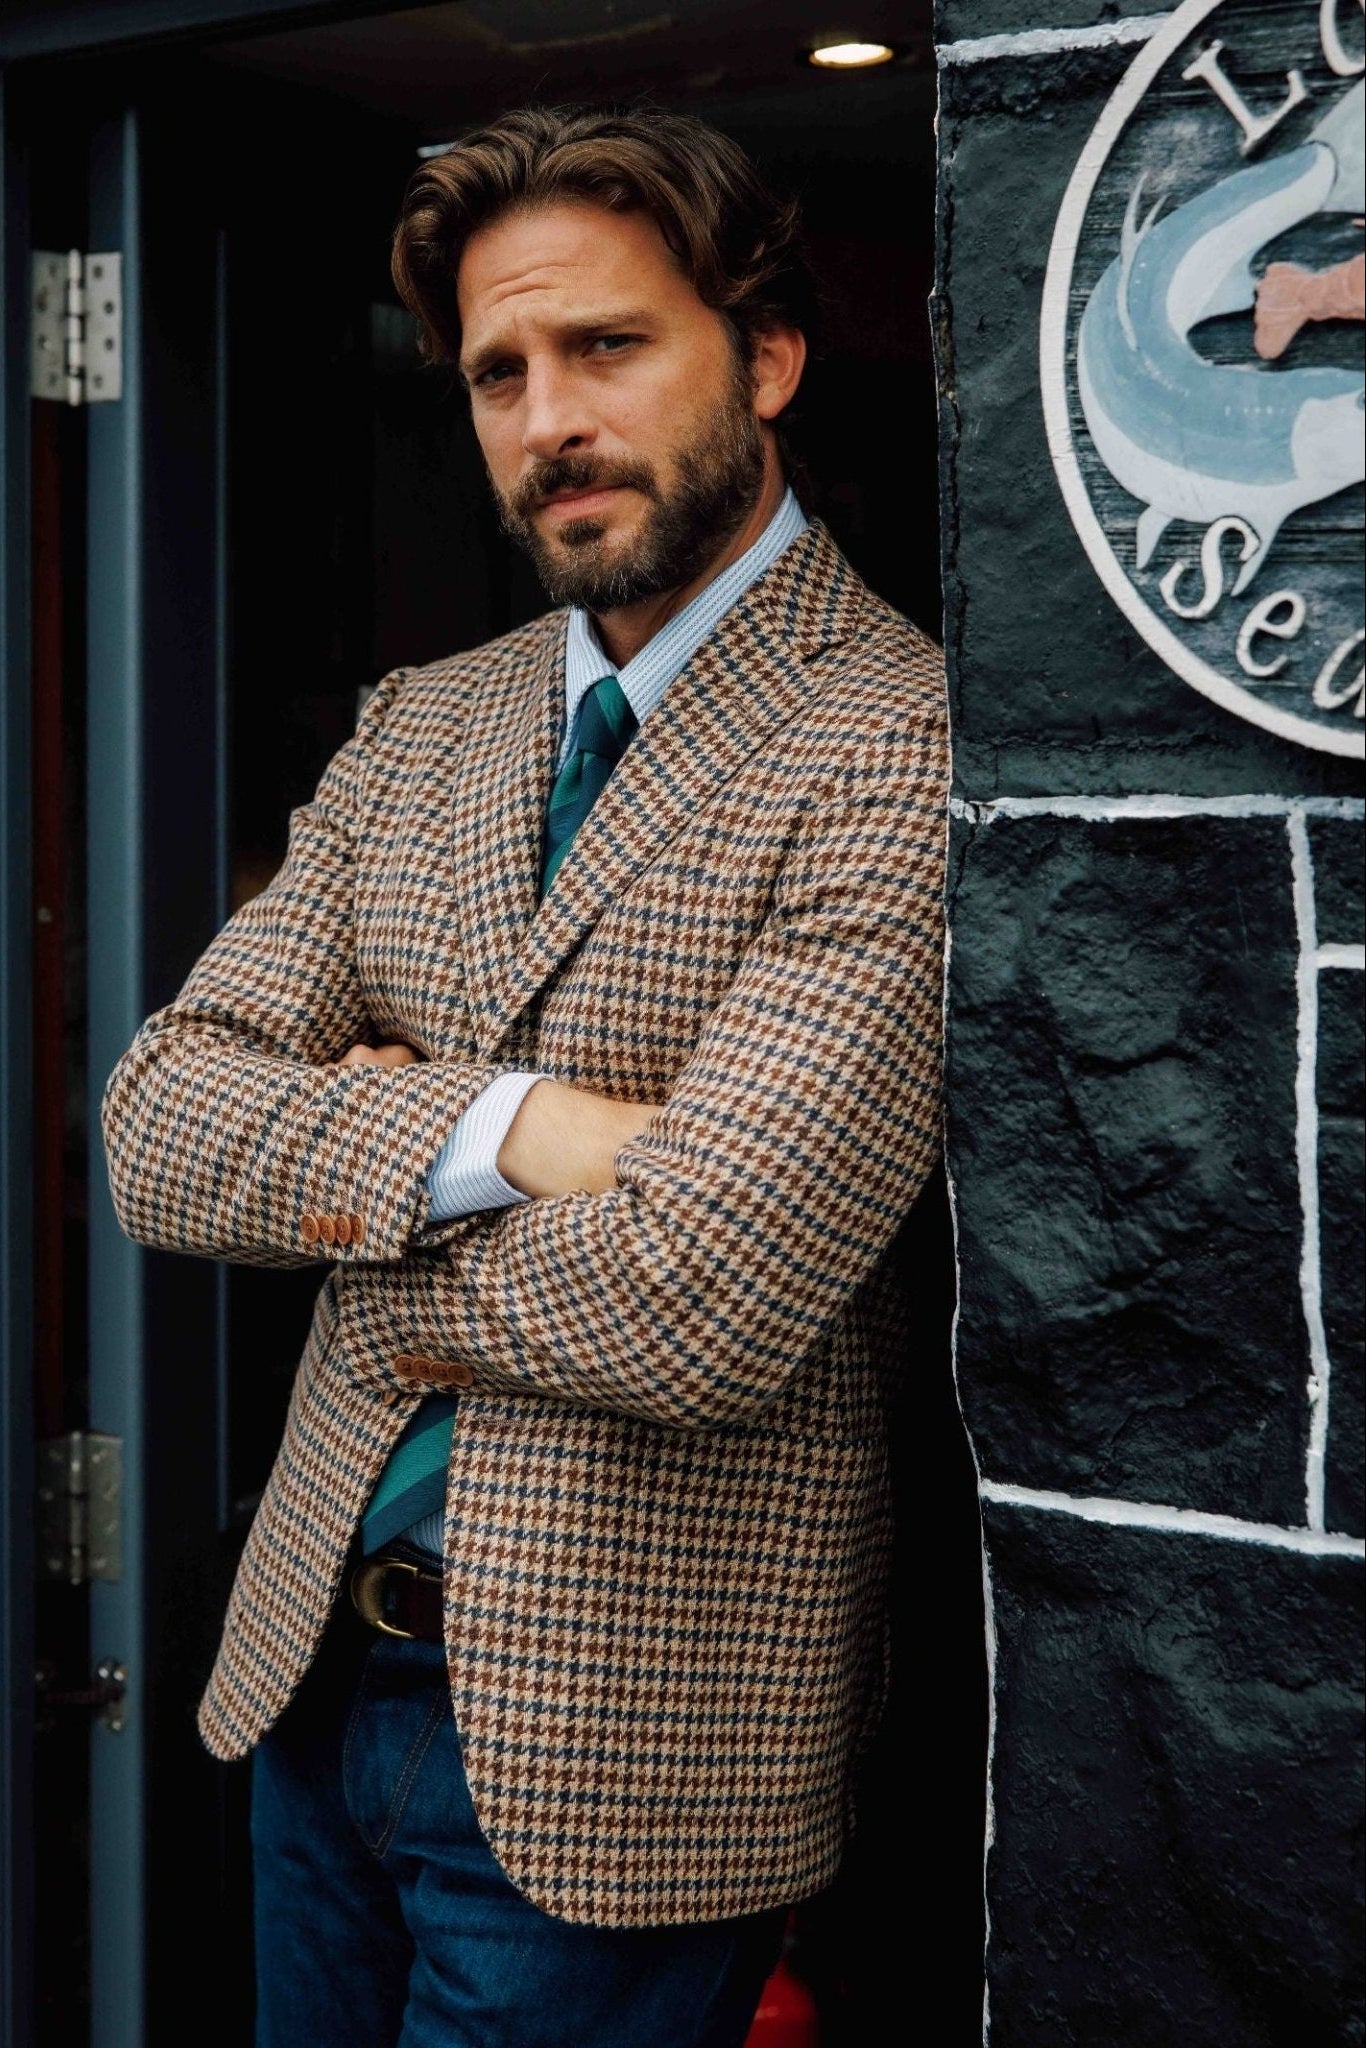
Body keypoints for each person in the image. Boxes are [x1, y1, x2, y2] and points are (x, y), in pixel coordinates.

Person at [102, 103, 948, 2048]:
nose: (546, 416)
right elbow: (159, 1125)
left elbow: (703, 1288)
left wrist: (358, 1212)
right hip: (316, 1678)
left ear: (764, 357)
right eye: (500, 371)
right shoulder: (424, 724)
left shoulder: (895, 743)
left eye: (606, 345)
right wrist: (520, 1128)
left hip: (626, 1748)